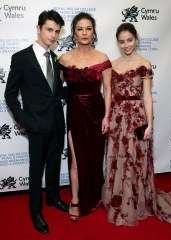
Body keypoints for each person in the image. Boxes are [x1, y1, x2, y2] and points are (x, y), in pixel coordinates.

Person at [102, 23, 171, 226]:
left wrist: (149, 125)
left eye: (129, 40)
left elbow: (147, 97)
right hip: (117, 116)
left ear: (136, 39)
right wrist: (107, 116)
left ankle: (135, 201)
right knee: (117, 156)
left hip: (137, 117)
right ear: (118, 42)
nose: (126, 45)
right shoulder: (111, 64)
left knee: (135, 158)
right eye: (122, 41)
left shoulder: (145, 63)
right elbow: (108, 93)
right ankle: (118, 198)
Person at [4, 10, 69, 234]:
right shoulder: (21, 58)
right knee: (35, 170)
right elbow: (10, 95)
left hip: (57, 123)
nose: (53, 35)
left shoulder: (56, 59)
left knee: (53, 165)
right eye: (49, 29)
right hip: (36, 125)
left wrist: (77, 91)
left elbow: (56, 92)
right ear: (39, 28)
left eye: (57, 32)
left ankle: (52, 197)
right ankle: (35, 211)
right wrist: (23, 120)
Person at [59, 12, 112, 222]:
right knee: (76, 161)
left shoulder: (103, 58)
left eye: (88, 28)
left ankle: (95, 196)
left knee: (95, 157)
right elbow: (60, 85)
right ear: (73, 32)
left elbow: (107, 90)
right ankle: (75, 200)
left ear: (93, 32)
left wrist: (107, 117)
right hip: (74, 112)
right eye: (80, 28)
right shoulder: (64, 59)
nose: (84, 32)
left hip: (97, 112)